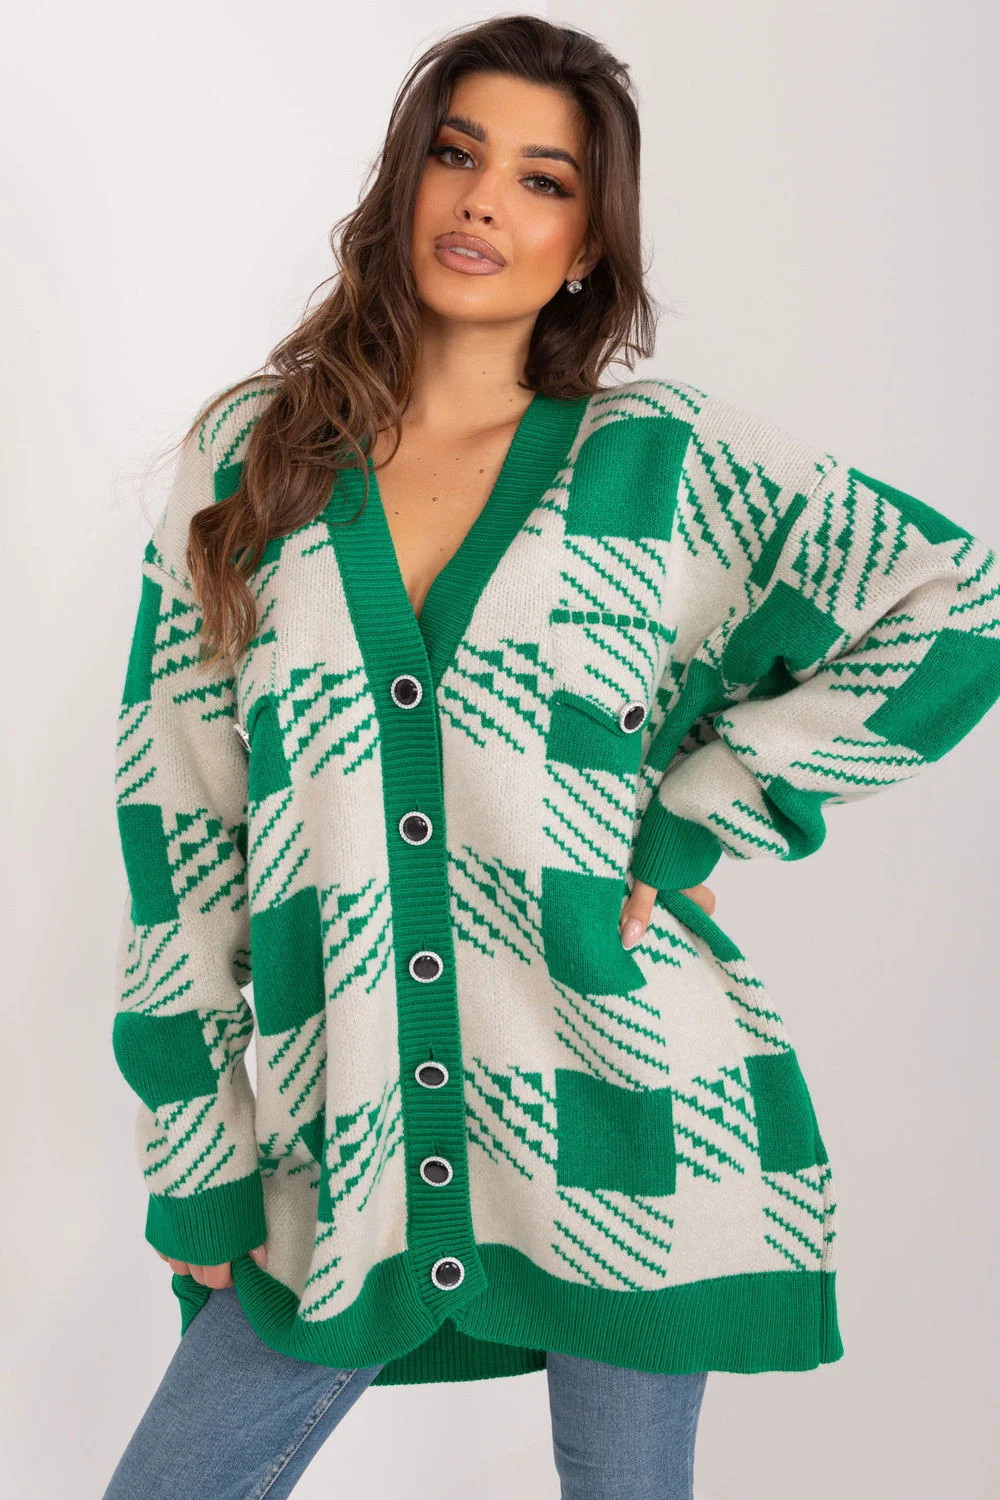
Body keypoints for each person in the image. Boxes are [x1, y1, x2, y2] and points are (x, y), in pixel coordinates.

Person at [104, 14, 1000, 1500]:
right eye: (456, 155)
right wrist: (197, 1155)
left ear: (589, 243)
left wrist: (699, 815)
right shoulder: (253, 459)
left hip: (638, 1119)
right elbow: (178, 827)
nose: (483, 203)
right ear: (403, 181)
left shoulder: (662, 462)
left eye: (543, 180)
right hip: (350, 1143)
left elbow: (955, 603)